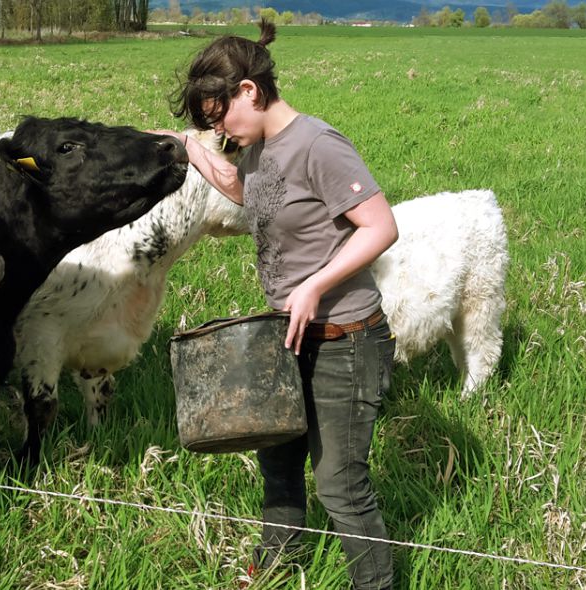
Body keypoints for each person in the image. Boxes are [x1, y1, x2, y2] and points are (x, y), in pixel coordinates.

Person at [158, 20, 398, 589]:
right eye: (210, 124)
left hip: (345, 336)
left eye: (220, 116)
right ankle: (274, 570)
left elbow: (381, 226)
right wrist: (191, 149)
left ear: (249, 91)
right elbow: (251, 193)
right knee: (279, 461)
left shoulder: (318, 143)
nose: (221, 129)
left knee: (340, 483)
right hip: (285, 336)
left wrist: (315, 285)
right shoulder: (258, 148)